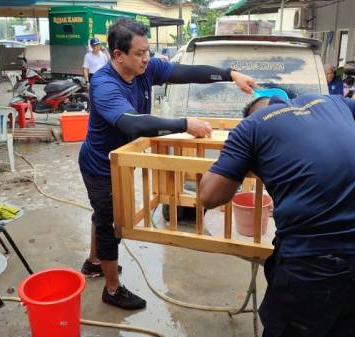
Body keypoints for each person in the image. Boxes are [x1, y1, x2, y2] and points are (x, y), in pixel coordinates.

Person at [199, 92, 355, 337]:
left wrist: (241, 162)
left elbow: (209, 196)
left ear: (255, 112)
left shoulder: (250, 127)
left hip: (311, 267)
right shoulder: (333, 103)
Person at [78, 18, 257, 310]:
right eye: (139, 53)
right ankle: (111, 289)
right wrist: (184, 123)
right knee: (110, 221)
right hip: (100, 165)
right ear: (117, 55)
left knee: (103, 213)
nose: (146, 58)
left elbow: (188, 72)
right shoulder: (104, 83)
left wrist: (230, 73)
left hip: (118, 160)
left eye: (147, 51)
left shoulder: (145, 69)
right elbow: (132, 123)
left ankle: (95, 261)